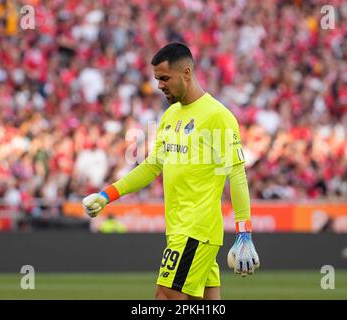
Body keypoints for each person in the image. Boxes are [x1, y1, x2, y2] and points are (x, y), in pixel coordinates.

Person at [82, 42, 260, 300]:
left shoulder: (217, 116)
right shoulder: (170, 115)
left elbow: (237, 174)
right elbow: (152, 166)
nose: (159, 85)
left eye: (165, 78)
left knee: (164, 297)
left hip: (195, 230)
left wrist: (244, 232)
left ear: (186, 73)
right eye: (157, 79)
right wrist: (107, 195)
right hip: (180, 230)